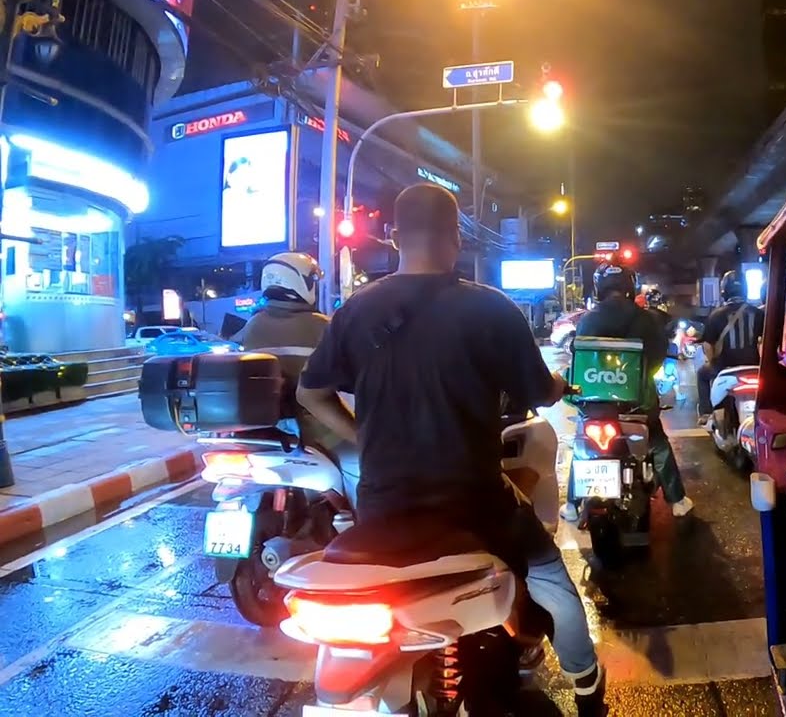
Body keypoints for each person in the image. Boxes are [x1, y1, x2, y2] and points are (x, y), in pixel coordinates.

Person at [296, 183, 606, 716]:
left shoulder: (354, 312)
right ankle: (587, 685)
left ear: (394, 238)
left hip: (382, 506)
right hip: (472, 502)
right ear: (456, 239)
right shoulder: (489, 309)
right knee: (551, 574)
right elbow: (539, 392)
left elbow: (310, 393)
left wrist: (360, 436)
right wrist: (558, 382)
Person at [563, 263, 694, 520]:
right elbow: (656, 356)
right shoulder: (645, 318)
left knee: (582, 444)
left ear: (598, 288)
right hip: (637, 403)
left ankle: (570, 504)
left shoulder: (588, 319)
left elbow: (578, 357)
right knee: (656, 441)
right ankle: (676, 499)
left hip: (595, 402)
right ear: (628, 286)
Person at [230, 252, 360, 503]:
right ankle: (360, 531)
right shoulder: (322, 326)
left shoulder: (252, 326)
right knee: (366, 462)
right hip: (318, 432)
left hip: (262, 432)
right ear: (301, 282)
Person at [697, 270, 765, 420]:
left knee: (702, 374)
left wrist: (712, 361)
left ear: (724, 292)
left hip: (724, 367)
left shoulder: (716, 315)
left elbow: (708, 346)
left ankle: (706, 413)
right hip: (753, 366)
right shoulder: (758, 313)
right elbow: (764, 341)